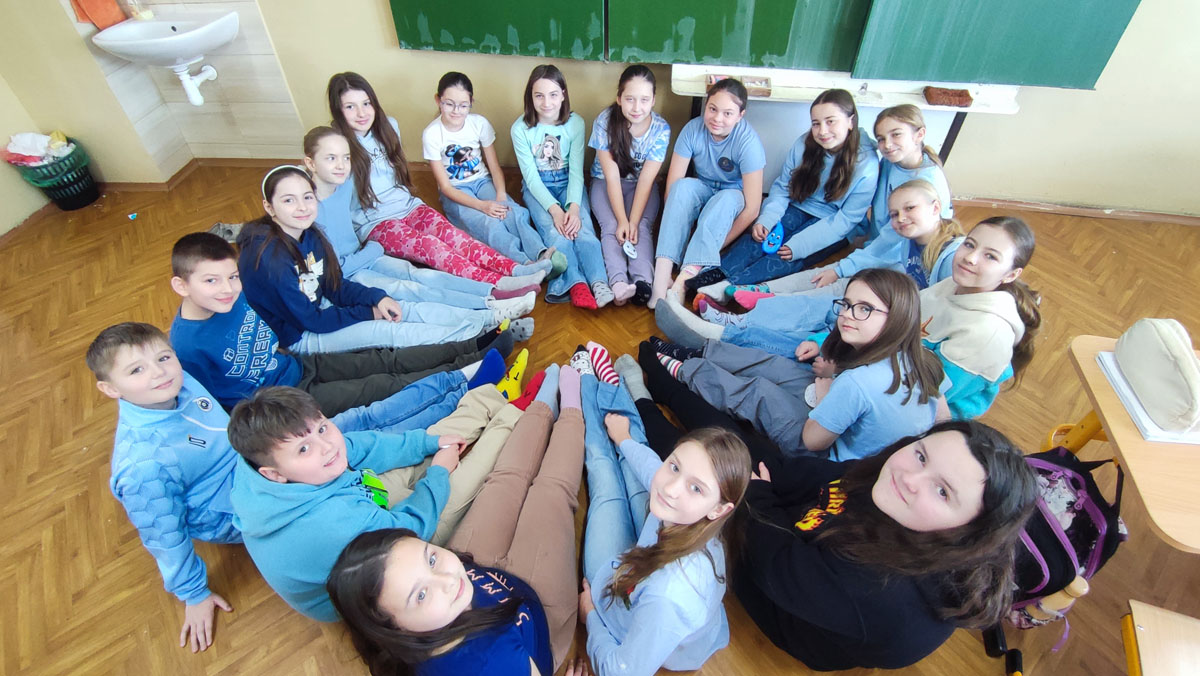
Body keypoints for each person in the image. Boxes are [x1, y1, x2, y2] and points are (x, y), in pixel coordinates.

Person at [327, 365, 587, 675]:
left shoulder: (446, 591)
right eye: (420, 595)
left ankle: (544, 403)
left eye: (431, 559)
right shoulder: (492, 664)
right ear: (394, 630)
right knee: (552, 493)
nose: (448, 578)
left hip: (483, 577)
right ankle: (572, 409)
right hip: (537, 621)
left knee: (503, 479)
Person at [735, 420, 1038, 670]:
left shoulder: (883, 595)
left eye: (942, 492)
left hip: (788, 607)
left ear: (968, 532)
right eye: (922, 456)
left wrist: (757, 496)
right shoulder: (897, 491)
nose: (910, 479)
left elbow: (774, 566)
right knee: (736, 443)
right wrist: (771, 479)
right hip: (810, 538)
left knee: (717, 489)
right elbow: (833, 478)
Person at [226, 384, 527, 621]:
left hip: (356, 504)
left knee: (431, 445)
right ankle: (517, 413)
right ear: (274, 474)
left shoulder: (263, 463)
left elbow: (362, 446)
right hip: (372, 574)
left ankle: (490, 397)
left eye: (322, 427)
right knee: (457, 487)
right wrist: (439, 472)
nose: (326, 446)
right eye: (304, 449)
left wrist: (428, 443)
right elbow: (413, 528)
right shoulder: (331, 524)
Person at [168, 231, 511, 414]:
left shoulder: (238, 296)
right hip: (285, 400)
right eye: (211, 281)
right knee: (378, 386)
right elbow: (214, 406)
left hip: (297, 365)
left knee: (381, 359)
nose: (227, 289)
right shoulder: (187, 345)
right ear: (181, 286)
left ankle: (473, 347)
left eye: (232, 277)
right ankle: (466, 374)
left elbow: (274, 328)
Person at [577, 342, 751, 675]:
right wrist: (625, 439)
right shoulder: (694, 518)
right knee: (630, 459)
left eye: (696, 487)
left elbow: (620, 671)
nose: (670, 488)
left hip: (629, 612)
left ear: (719, 509)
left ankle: (587, 384)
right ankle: (609, 385)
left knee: (604, 476)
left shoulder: (668, 596)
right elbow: (652, 467)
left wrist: (591, 618)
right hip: (641, 563)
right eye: (675, 466)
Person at [655, 268, 947, 461]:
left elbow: (812, 440)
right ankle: (700, 351)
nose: (847, 314)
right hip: (835, 407)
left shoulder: (858, 384)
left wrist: (827, 399)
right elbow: (943, 419)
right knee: (775, 365)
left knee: (759, 392)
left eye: (864, 309)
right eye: (846, 304)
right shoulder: (924, 359)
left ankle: (686, 370)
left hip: (826, 454)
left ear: (897, 318)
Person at [88, 322, 242, 654]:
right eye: (136, 370)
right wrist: (194, 593)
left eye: (163, 357)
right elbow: (164, 536)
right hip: (228, 509)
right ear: (110, 388)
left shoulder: (178, 382)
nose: (159, 372)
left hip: (245, 460)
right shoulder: (143, 466)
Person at [302, 125, 538, 338]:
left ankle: (494, 294)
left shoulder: (342, 187)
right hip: (347, 275)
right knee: (411, 290)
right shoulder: (307, 211)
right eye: (331, 158)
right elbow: (333, 271)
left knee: (422, 276)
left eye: (346, 158)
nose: (341, 165)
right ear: (310, 163)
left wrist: (371, 251)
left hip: (365, 257)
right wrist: (373, 248)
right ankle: (489, 316)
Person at [326, 71, 551, 288]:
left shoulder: (389, 126)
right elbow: (331, 201)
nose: (361, 113)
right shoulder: (335, 145)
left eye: (366, 103)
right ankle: (499, 283)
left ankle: (517, 269)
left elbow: (397, 176)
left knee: (455, 237)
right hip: (376, 222)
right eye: (350, 106)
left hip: (408, 206)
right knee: (432, 247)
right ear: (338, 110)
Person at [237, 166, 494, 354]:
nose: (302, 207)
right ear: (269, 207)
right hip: (300, 334)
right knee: (389, 330)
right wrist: (367, 312)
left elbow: (334, 285)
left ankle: (486, 318)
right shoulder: (270, 261)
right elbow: (311, 321)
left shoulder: (310, 234)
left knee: (397, 305)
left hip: (319, 307)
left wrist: (376, 298)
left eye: (307, 197)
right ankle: (474, 340)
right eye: (288, 201)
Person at [697, 89, 878, 292]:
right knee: (761, 239)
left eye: (830, 121)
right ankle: (713, 273)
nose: (822, 131)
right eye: (816, 123)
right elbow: (783, 187)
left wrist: (800, 246)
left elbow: (846, 220)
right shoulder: (804, 144)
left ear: (850, 121)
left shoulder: (868, 164)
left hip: (834, 223)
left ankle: (727, 288)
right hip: (799, 206)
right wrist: (766, 219)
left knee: (785, 255)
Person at [423, 71, 562, 271]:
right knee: (490, 224)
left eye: (463, 105)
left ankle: (541, 253)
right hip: (456, 190)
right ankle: (525, 263)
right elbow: (445, 187)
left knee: (513, 213)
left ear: (471, 102)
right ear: (438, 100)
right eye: (449, 104)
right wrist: (482, 206)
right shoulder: (432, 134)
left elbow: (495, 168)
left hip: (482, 182)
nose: (456, 111)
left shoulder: (479, 123)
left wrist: (501, 196)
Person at [650, 78, 765, 307]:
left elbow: (752, 209)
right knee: (681, 187)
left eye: (727, 113)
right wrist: (680, 237)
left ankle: (684, 280)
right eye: (712, 109)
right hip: (703, 187)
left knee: (726, 199)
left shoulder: (748, 142)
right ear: (706, 105)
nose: (717, 118)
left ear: (740, 115)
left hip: (732, 194)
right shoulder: (692, 129)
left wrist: (713, 244)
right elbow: (672, 190)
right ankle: (661, 278)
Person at [920, 216, 1041, 418]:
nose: (970, 258)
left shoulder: (987, 333)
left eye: (990, 256)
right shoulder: (955, 284)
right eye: (969, 244)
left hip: (926, 416)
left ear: (1011, 275)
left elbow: (925, 396)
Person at [511, 64, 611, 308]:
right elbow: (531, 179)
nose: (547, 103)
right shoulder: (520, 129)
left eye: (553, 94)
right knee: (555, 233)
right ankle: (575, 283)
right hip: (538, 188)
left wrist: (573, 207)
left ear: (563, 95)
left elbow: (577, 171)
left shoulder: (575, 123)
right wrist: (555, 210)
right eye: (539, 95)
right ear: (530, 97)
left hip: (569, 183)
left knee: (583, 230)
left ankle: (599, 282)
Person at [587, 65, 671, 306]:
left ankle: (642, 282)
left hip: (641, 186)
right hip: (605, 182)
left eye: (644, 100)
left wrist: (632, 221)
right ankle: (618, 283)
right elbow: (611, 174)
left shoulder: (661, 129)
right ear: (619, 98)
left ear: (653, 100)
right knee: (612, 226)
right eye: (630, 99)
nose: (637, 107)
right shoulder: (604, 121)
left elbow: (646, 179)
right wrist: (623, 220)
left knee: (641, 228)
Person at [862, 103, 954, 241]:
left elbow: (902, 238)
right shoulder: (890, 161)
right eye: (881, 139)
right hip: (876, 242)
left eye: (896, 134)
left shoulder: (928, 180)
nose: (887, 145)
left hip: (900, 249)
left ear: (919, 135)